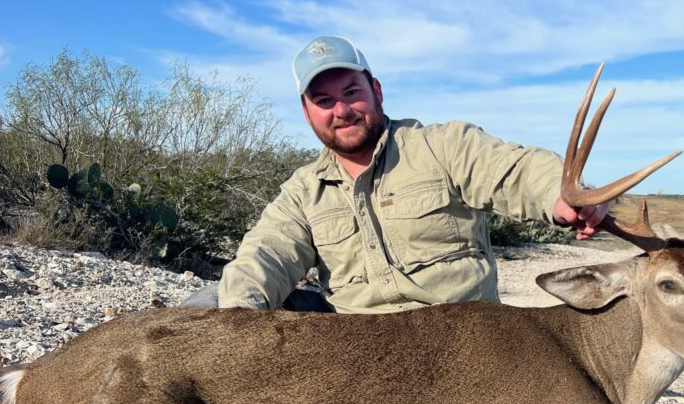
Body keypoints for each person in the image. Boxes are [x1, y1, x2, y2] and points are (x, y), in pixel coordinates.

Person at [190, 35, 607, 313]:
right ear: (307, 112)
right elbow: (267, 255)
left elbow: (514, 170)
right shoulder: (304, 191)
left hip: (460, 341)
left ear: (377, 91)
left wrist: (560, 194)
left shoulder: (441, 146)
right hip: (357, 347)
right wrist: (240, 317)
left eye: (352, 92)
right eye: (324, 100)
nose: (342, 110)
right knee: (211, 306)